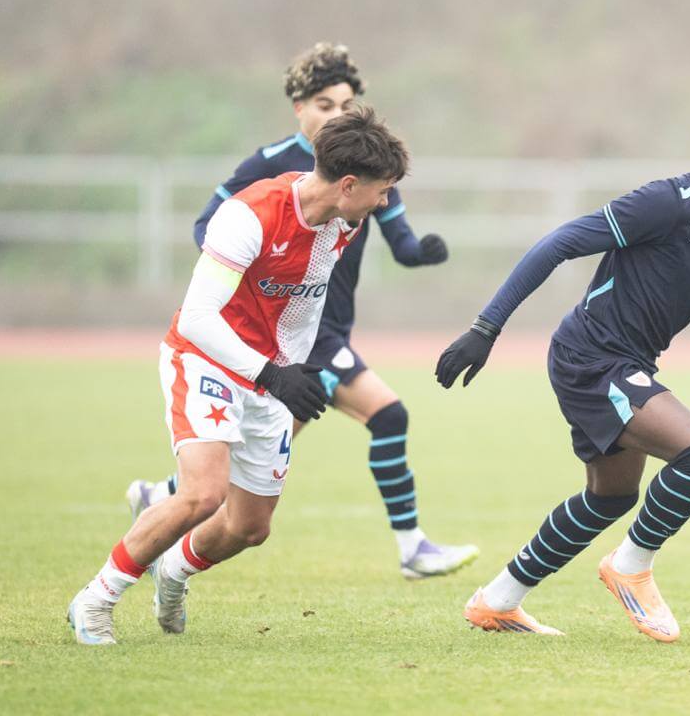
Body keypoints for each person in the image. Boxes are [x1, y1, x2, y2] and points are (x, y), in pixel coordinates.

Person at [434, 87, 690, 641]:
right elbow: (559, 243)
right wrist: (484, 329)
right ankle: (630, 567)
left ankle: (497, 600)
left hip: (626, 361)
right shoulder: (669, 202)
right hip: (590, 355)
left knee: (610, 497)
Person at [126, 43, 477, 578]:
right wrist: (257, 278)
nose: (337, 114)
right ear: (298, 107)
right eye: (324, 103)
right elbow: (208, 227)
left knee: (254, 448)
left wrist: (420, 251)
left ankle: (164, 495)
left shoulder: (369, 165)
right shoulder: (269, 167)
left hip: (320, 329)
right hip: (284, 338)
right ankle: (411, 547)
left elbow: (399, 238)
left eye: (346, 103)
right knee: (386, 414)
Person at [68, 106, 409, 645]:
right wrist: (273, 374)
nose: (385, 200)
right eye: (382, 189)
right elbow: (200, 318)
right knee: (202, 496)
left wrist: (299, 368)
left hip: (270, 377)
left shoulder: (346, 220)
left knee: (250, 527)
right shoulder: (250, 215)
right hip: (206, 359)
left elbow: (305, 297)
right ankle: (95, 600)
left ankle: (174, 570)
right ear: (348, 184)